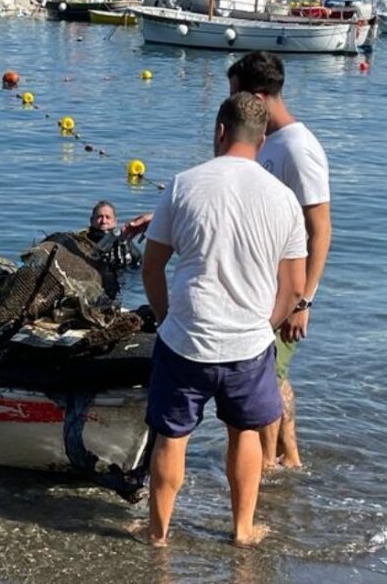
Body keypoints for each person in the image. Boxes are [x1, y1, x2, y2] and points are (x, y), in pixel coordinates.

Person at [142, 92, 307, 548]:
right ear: (263, 138)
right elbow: (293, 288)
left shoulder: (183, 184)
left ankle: (158, 535)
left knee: (171, 437)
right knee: (246, 433)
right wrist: (265, 326)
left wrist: (165, 319)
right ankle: (242, 530)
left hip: (186, 337)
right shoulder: (284, 198)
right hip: (248, 344)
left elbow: (151, 267)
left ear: (219, 132)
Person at [228, 51, 331, 471]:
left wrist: (302, 301)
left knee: (264, 382)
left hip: (284, 294)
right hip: (262, 288)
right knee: (275, 377)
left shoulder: (298, 148)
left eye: (235, 97)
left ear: (256, 97)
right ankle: (290, 459)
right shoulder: (269, 145)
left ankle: (266, 470)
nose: (231, 106)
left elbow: (320, 227)